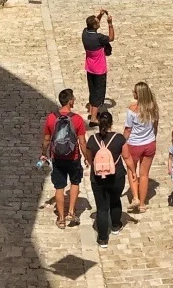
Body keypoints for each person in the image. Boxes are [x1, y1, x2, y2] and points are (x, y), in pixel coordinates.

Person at [40, 88, 87, 228]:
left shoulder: (51, 118)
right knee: (75, 182)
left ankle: (61, 219)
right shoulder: (77, 119)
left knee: (59, 187)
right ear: (70, 101)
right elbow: (82, 142)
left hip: (57, 157)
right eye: (73, 98)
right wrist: (87, 157)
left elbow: (47, 139)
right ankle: (71, 211)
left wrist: (43, 153)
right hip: (73, 157)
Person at [86, 110, 126, 248]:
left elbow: (89, 159)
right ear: (111, 123)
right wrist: (132, 171)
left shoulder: (92, 140)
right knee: (115, 200)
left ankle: (103, 239)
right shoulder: (119, 138)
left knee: (102, 208)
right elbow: (127, 157)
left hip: (98, 179)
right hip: (117, 177)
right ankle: (115, 225)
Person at [122, 81, 159, 213]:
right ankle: (142, 204)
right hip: (150, 143)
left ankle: (135, 198)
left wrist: (121, 142)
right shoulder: (153, 108)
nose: (133, 93)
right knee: (144, 174)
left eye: (135, 92)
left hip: (134, 145)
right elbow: (156, 126)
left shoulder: (132, 110)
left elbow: (128, 129)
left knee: (132, 170)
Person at [82, 10, 115, 125]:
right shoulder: (99, 38)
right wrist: (110, 24)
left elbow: (93, 26)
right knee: (98, 93)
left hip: (89, 67)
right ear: (95, 25)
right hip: (99, 69)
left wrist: (100, 15)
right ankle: (93, 119)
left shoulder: (85, 33)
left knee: (92, 90)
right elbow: (111, 38)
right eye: (97, 22)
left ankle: (92, 112)